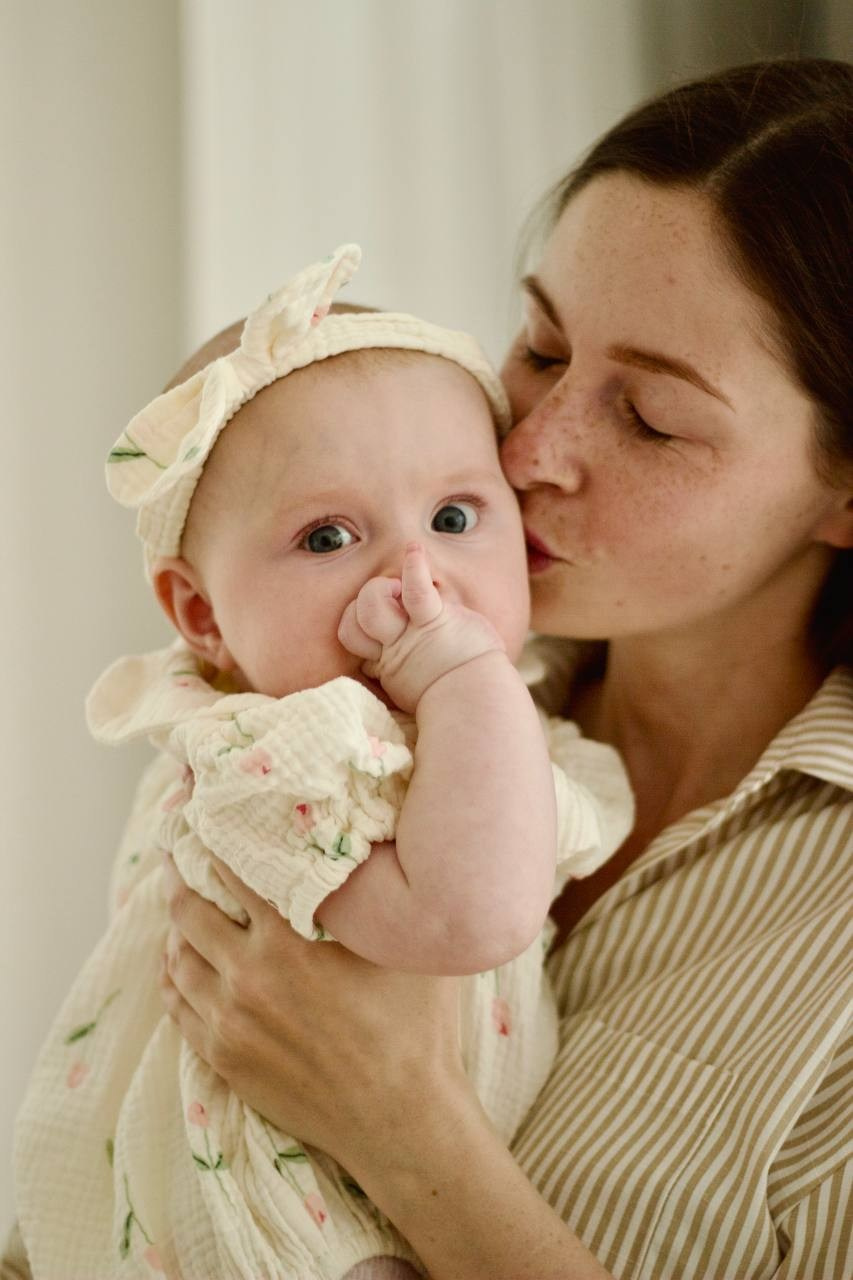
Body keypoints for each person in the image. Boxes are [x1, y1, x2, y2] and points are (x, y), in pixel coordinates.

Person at [146, 58, 852, 1280]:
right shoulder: (328, 707)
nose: (525, 449)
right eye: (539, 344)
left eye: (650, 419)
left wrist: (404, 1125)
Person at [10, 248, 632, 1280]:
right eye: (328, 534)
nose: (414, 574)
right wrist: (466, 675)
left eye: (454, 516)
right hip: (286, 1224)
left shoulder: (447, 726)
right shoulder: (284, 746)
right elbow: (470, 913)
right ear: (202, 614)